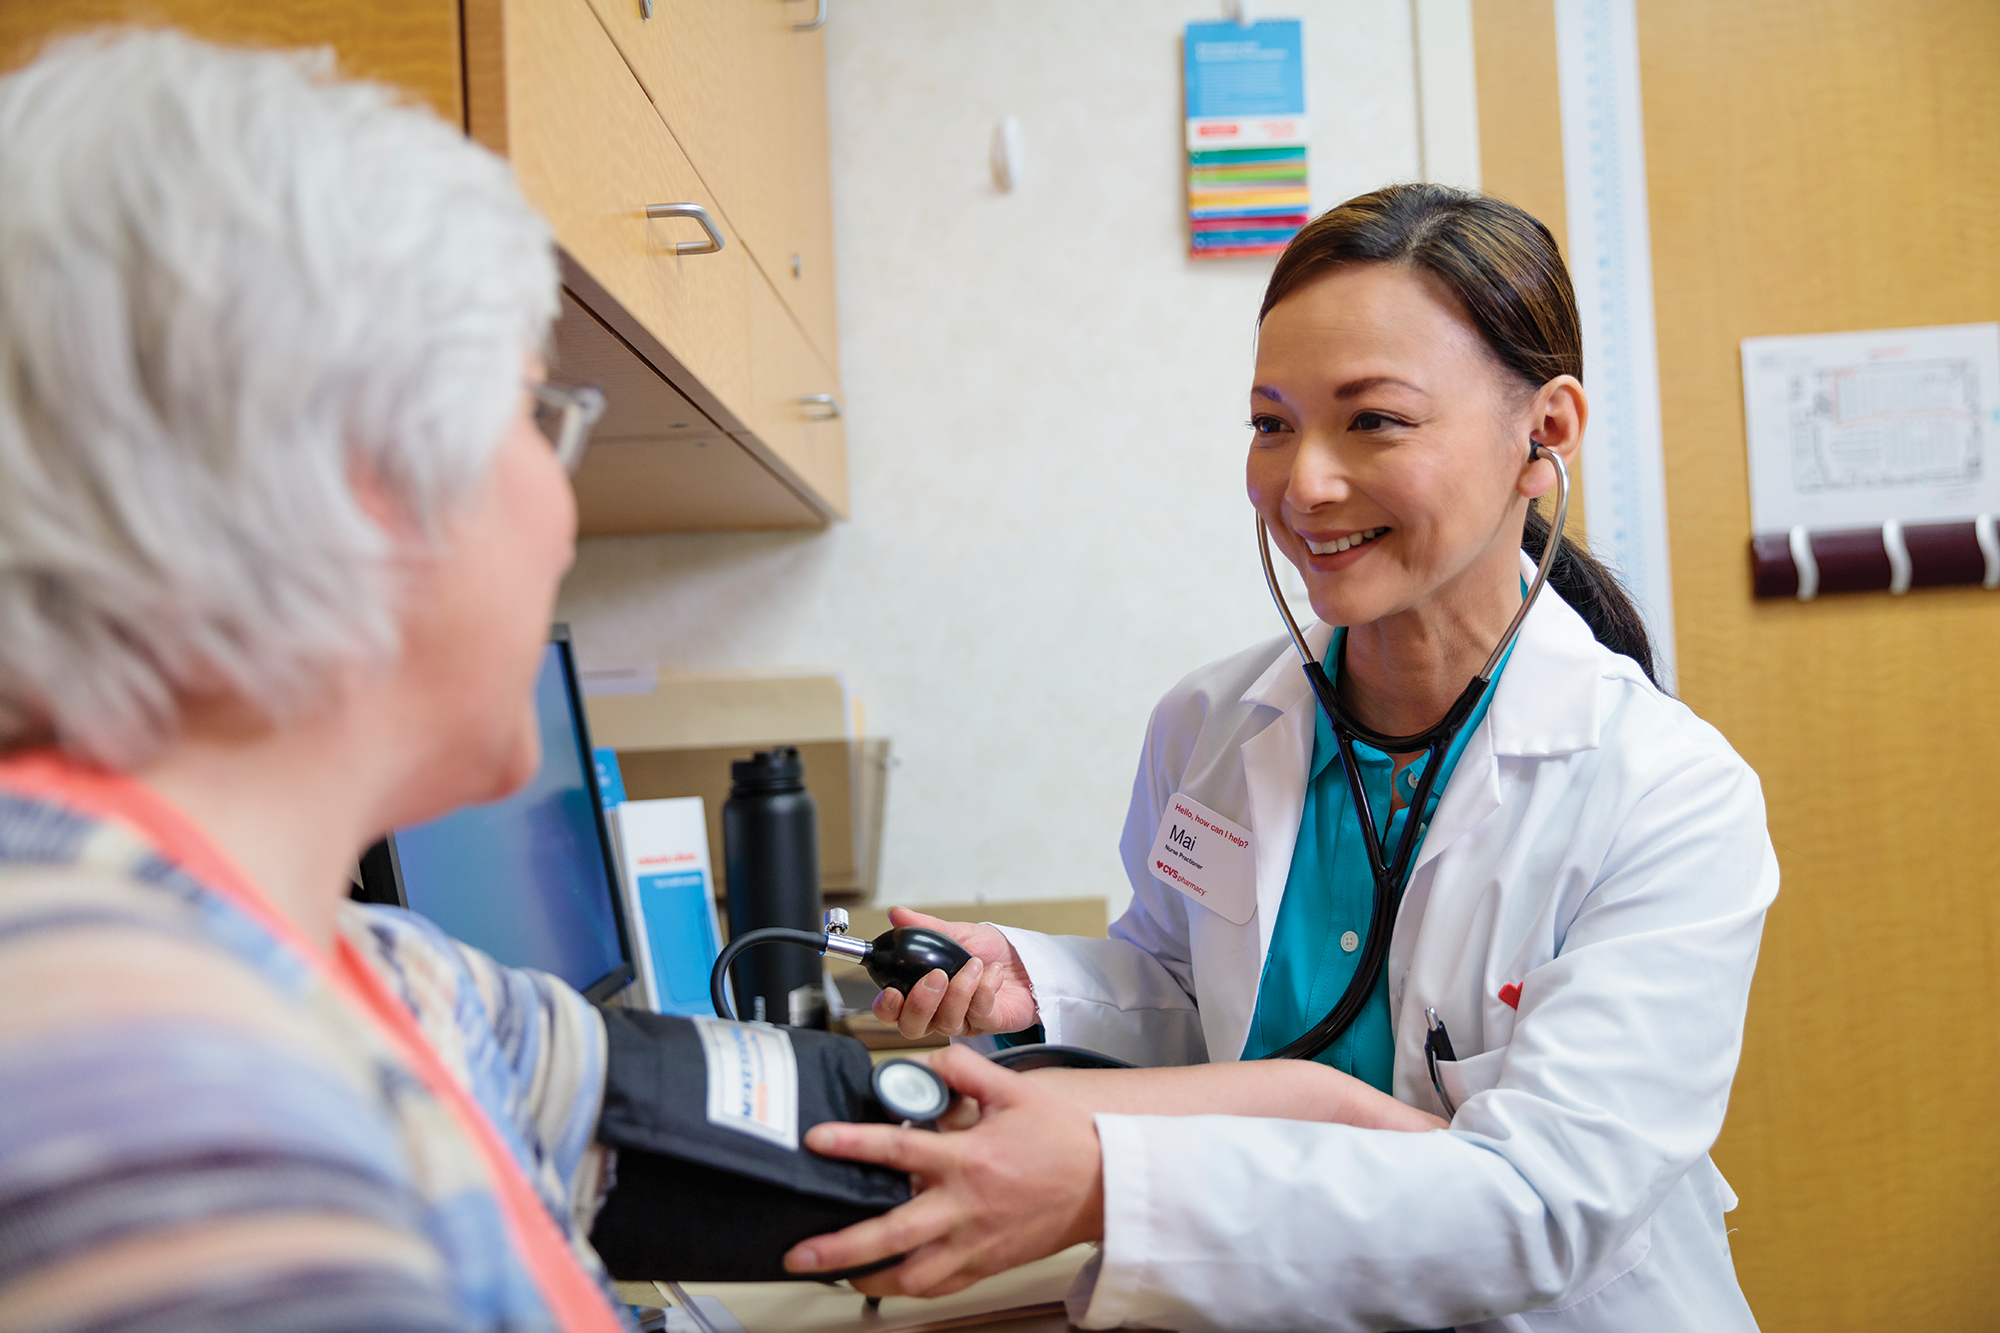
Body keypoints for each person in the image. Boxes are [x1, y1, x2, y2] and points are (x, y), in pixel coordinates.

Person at [0, 30, 906, 1332]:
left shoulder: (351, 957)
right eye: (533, 415)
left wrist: (1268, 1126)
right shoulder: (161, 1105)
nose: (560, 508)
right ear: (355, 468)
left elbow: (719, 1106)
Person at [782, 185, 1779, 1332]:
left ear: (1541, 435)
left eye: (1373, 420)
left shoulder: (1668, 796)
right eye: (1270, 423)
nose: (1300, 483)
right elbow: (1197, 1000)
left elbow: (1538, 1205)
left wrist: (1114, 1178)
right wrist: (1036, 982)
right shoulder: (1205, 725)